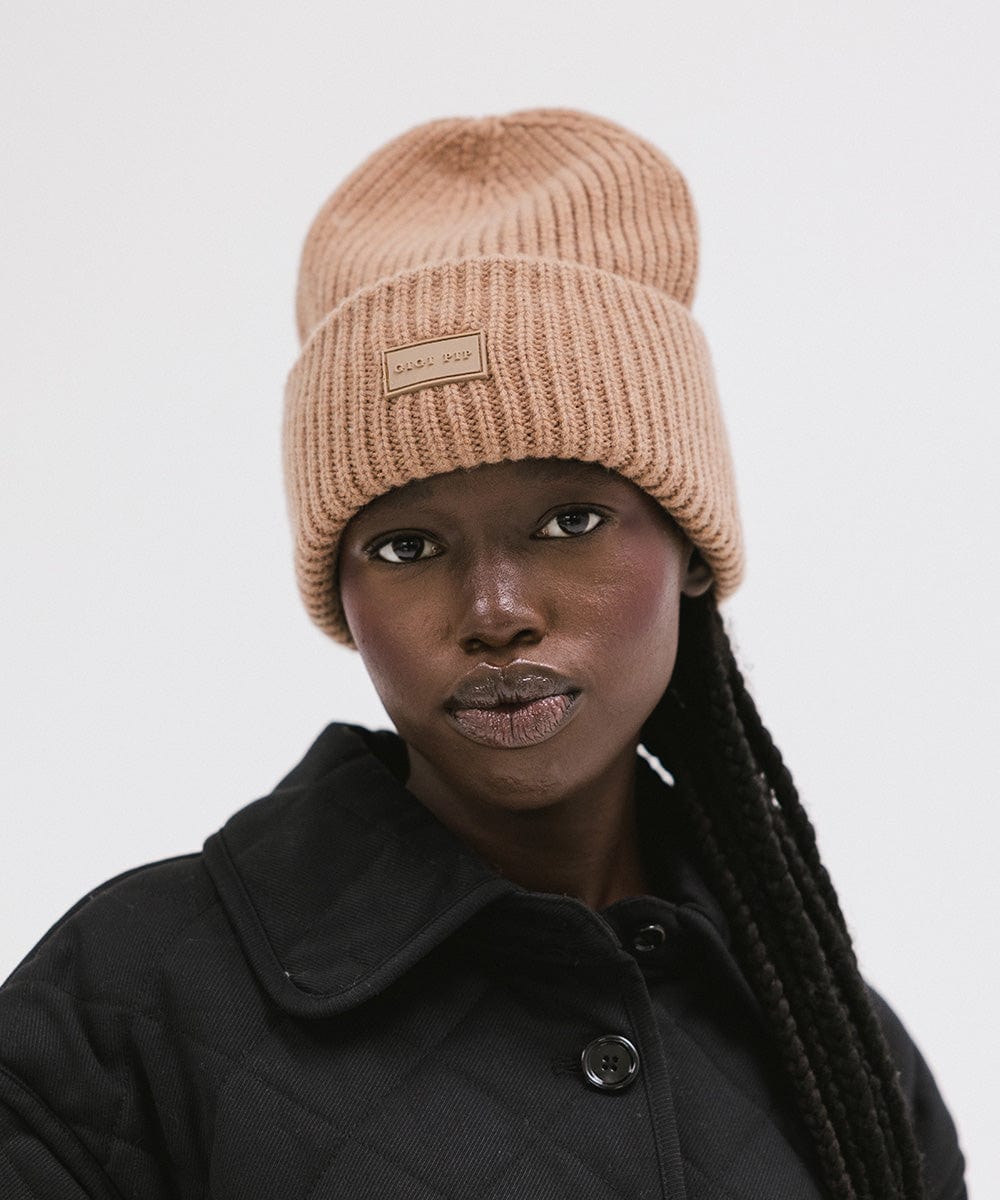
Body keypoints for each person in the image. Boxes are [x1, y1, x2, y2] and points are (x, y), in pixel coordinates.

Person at [0, 108, 966, 1200]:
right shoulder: (125, 1005)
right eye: (406, 545)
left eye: (569, 521)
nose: (494, 611)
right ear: (340, 591)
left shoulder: (832, 1045)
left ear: (690, 549)